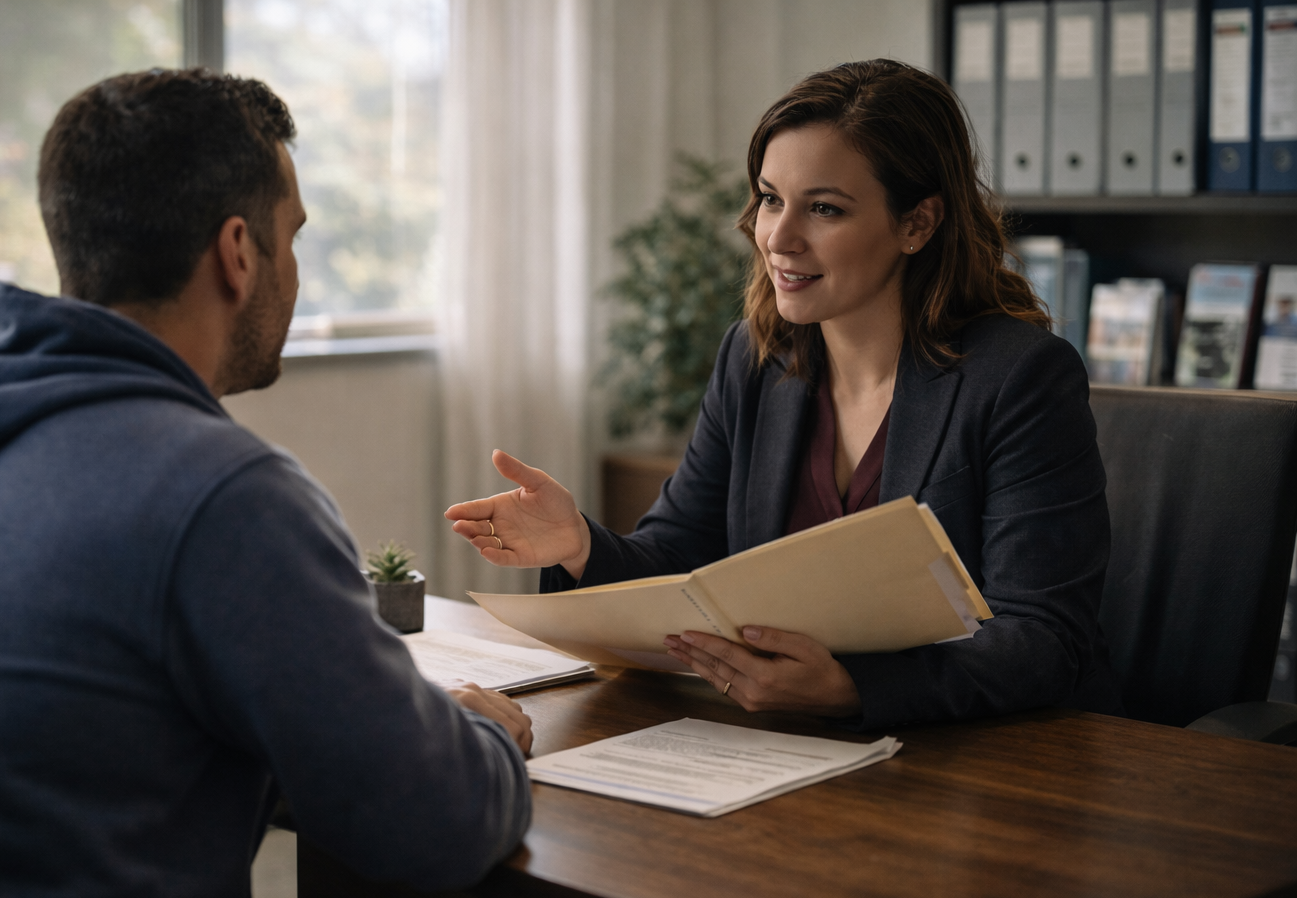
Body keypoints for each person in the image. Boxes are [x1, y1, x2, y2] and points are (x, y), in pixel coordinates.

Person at [0, 70, 534, 898]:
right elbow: (438, 826)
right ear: (237, 252)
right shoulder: (221, 492)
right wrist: (486, 735)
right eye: (292, 235)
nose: (296, 269)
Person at [445, 59, 1121, 731]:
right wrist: (578, 544)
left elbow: (1042, 638)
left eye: (824, 208)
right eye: (771, 199)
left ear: (917, 222)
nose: (778, 237)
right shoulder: (755, 358)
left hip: (969, 762)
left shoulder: (1020, 377)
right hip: (780, 749)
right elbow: (679, 560)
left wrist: (855, 688)